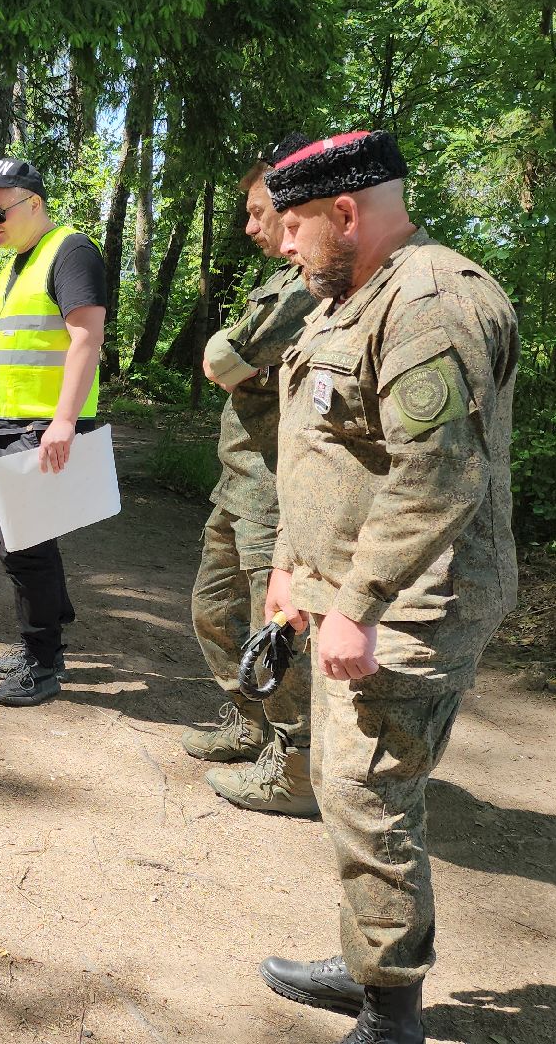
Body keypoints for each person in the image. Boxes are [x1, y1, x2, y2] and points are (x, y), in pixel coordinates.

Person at [254, 131, 517, 1044]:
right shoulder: (349, 299)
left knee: (370, 795)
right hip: (344, 590)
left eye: (294, 226)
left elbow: (438, 477)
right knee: (342, 782)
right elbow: (324, 449)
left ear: (346, 213)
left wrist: (358, 604)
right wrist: (292, 566)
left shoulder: (429, 302)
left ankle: (392, 1013)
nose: (284, 245)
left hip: (413, 600)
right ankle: (366, 963)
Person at [183, 134, 322, 816]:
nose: (250, 224)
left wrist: (246, 362)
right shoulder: (280, 283)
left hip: (275, 489)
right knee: (212, 609)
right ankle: (252, 722)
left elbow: (221, 359)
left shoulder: (305, 286)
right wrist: (244, 362)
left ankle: (297, 765)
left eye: (259, 210)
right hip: (238, 478)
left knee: (278, 629)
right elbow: (225, 359)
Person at [0, 158, 106, 708]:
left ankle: (43, 659)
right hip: (5, 425)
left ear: (34, 203)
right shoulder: (11, 268)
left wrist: (65, 421)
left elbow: (85, 339)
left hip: (43, 424)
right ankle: (40, 643)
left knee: (25, 544)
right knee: (21, 542)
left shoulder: (70, 251)